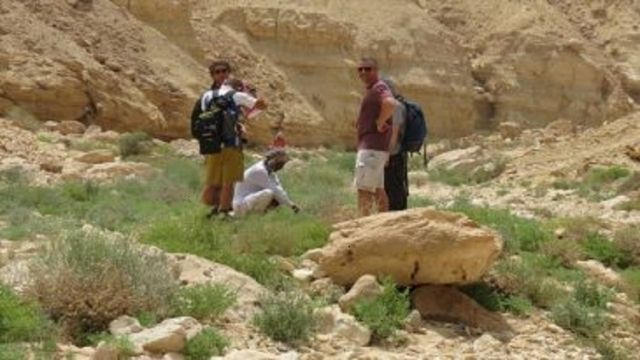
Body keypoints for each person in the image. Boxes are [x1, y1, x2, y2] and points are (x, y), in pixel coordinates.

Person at [194, 61, 267, 218]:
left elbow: (202, 116)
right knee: (229, 181)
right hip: (230, 144)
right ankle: (224, 212)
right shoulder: (237, 95)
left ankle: (208, 209)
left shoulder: (206, 96)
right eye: (218, 71)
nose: (221, 74)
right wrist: (257, 98)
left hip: (211, 144)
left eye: (224, 71)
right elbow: (260, 106)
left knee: (212, 181)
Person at [353, 57, 397, 216]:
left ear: (376, 70)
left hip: (371, 148)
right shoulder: (373, 89)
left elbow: (390, 103)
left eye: (368, 68)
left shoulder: (379, 87)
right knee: (378, 190)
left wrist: (379, 122)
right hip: (376, 148)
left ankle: (362, 224)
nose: (363, 72)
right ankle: (384, 222)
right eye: (360, 69)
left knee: (363, 189)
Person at [232, 148, 300, 216]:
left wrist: (290, 204)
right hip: (240, 205)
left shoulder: (270, 173)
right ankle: (255, 216)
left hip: (248, 202)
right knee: (269, 193)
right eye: (280, 163)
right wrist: (293, 206)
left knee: (276, 198)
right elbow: (275, 190)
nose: (281, 166)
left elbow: (280, 190)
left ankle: (260, 216)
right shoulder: (259, 171)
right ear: (273, 161)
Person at [382, 77, 409, 211]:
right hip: (394, 152)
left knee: (395, 186)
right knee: (392, 185)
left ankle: (398, 215)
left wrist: (388, 153)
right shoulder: (393, 105)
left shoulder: (396, 107)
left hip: (394, 153)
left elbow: (394, 132)